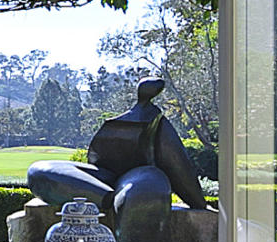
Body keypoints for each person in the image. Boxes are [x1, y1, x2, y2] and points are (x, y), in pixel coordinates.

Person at [25, 77, 208, 219]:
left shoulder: (156, 121)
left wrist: (197, 202)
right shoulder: (129, 117)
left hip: (139, 176)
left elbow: (177, 162)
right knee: (38, 171)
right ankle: (107, 198)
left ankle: (116, 200)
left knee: (144, 190)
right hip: (104, 176)